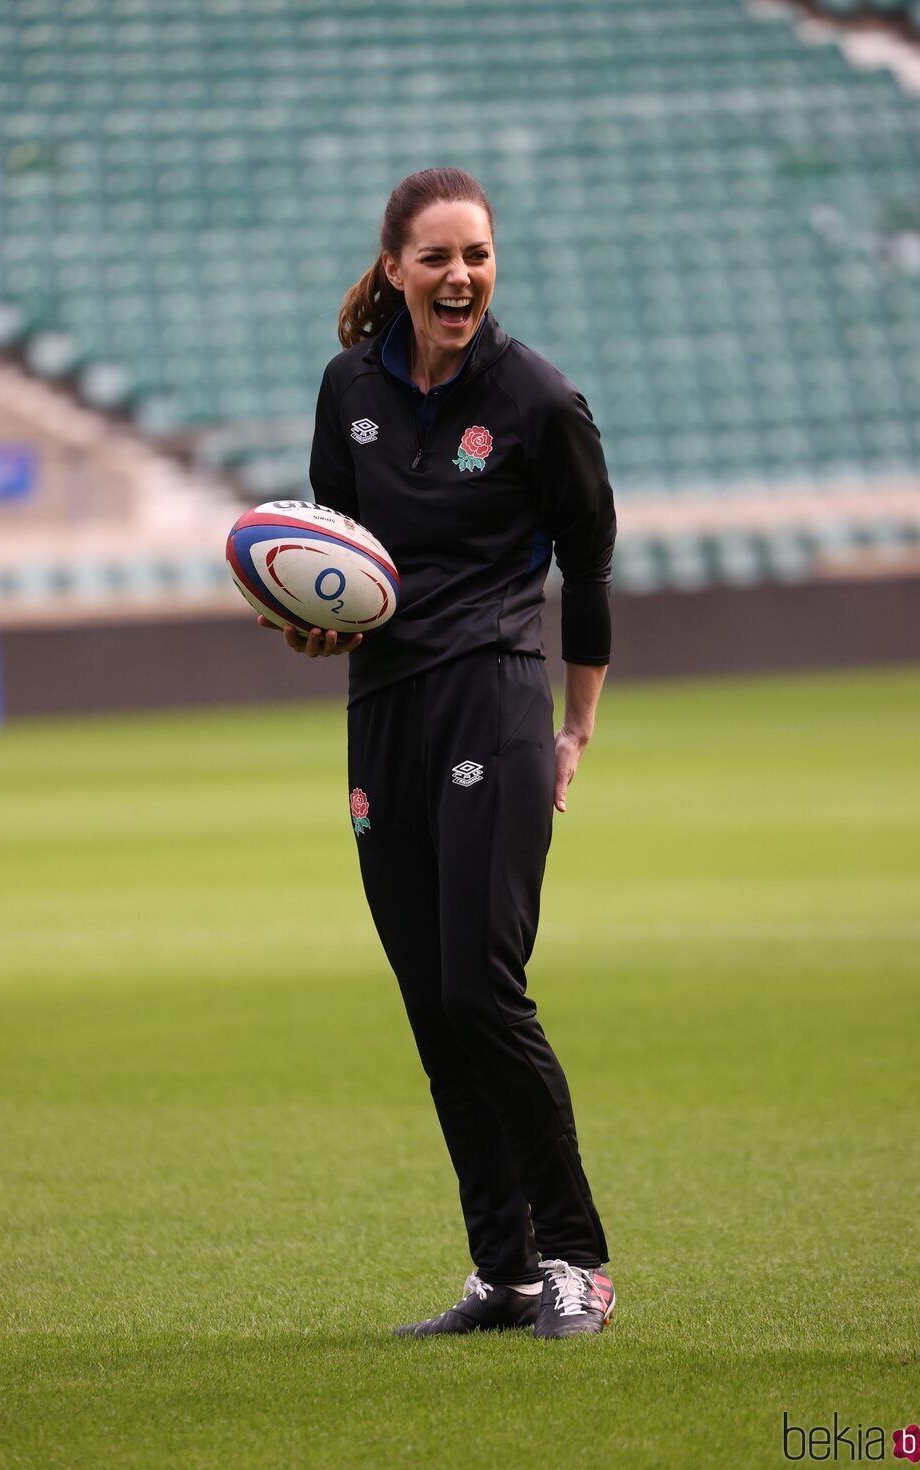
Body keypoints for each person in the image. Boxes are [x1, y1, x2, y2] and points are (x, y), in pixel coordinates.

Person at [260, 167, 616, 1339]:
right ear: (397, 268)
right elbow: (335, 552)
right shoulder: (346, 387)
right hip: (385, 708)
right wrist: (312, 621)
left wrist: (574, 730)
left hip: (497, 696)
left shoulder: (536, 399)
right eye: (436, 257)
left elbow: (590, 570)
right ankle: (502, 1273)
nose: (459, 275)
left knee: (480, 987)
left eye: (477, 254)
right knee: (431, 1005)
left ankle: (576, 1260)